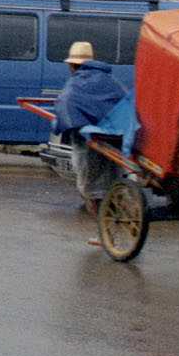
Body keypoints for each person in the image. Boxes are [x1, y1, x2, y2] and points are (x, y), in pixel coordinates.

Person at [52, 41, 126, 228]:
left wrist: (59, 123)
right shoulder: (110, 80)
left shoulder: (75, 83)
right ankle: (114, 224)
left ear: (72, 65)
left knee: (90, 189)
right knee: (113, 183)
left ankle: (104, 230)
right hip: (114, 141)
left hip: (87, 142)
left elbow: (65, 105)